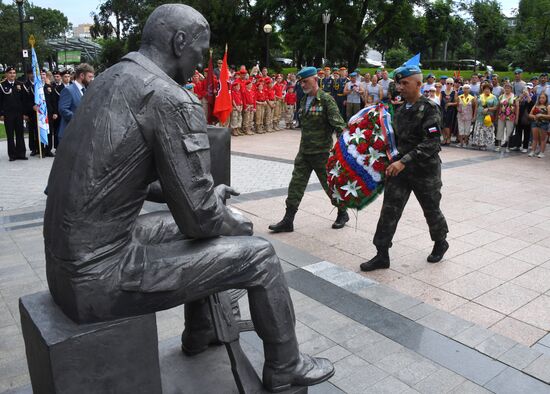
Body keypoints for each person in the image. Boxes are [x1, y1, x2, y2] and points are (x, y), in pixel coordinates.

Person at [44, 5, 334, 392]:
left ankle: (201, 330)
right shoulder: (169, 97)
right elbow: (201, 219)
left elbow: (126, 181)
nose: (201, 63)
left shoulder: (110, 79)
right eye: (200, 50)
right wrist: (231, 219)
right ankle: (285, 365)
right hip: (100, 276)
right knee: (258, 254)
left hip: (63, 266)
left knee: (195, 227)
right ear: (180, 42)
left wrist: (204, 201)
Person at [360, 64, 449, 272]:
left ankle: (440, 242)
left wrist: (404, 160)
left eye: (405, 83)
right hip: (400, 171)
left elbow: (432, 142)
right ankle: (382, 254)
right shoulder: (400, 110)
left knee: (431, 209)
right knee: (389, 210)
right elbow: (395, 141)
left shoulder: (429, 108)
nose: (400, 87)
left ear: (418, 84)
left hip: (424, 170)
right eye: (398, 83)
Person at [269, 66, 349, 233]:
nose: (303, 85)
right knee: (295, 185)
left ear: (315, 80)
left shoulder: (326, 100)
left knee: (330, 186)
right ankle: (288, 220)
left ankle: (342, 213)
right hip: (304, 153)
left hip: (322, 154)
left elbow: (339, 125)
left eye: (305, 81)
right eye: (301, 82)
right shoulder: (303, 100)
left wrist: (344, 149)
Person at [57, 63, 95, 143]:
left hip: (81, 135)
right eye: (90, 77)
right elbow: (63, 109)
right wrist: (79, 118)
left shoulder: (86, 90)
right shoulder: (68, 90)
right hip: (69, 135)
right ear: (82, 75)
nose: (92, 79)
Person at [0, 66, 28, 161]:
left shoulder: (20, 84)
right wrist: (1, 114)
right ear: (6, 74)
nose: (12, 75)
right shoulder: (2, 85)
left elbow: (24, 100)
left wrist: (24, 113)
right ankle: (12, 155)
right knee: (10, 135)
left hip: (19, 114)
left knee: (20, 134)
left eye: (14, 73)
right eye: (10, 73)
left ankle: (21, 154)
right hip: (8, 114)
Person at [471, 83, 497, 150]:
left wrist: (488, 109)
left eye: (488, 89)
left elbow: (496, 107)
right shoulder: (480, 96)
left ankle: (484, 144)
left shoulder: (493, 97)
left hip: (488, 117)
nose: (486, 90)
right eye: (485, 89)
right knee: (479, 130)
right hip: (479, 116)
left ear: (490, 90)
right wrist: (474, 116)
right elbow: (476, 106)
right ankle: (479, 143)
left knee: (486, 130)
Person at [511, 84, 535, 153]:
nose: (527, 90)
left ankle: (525, 147)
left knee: (527, 133)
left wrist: (527, 95)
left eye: (529, 89)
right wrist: (522, 96)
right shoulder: (521, 96)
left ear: (532, 89)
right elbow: (516, 102)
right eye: (526, 89)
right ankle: (517, 145)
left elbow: (532, 105)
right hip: (519, 117)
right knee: (518, 132)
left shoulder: (533, 96)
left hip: (527, 118)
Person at [495, 82, 518, 152]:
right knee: (500, 130)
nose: (507, 89)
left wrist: (517, 118)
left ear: (511, 89)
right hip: (501, 115)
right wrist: (496, 116)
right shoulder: (501, 96)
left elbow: (517, 108)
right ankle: (499, 145)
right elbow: (498, 107)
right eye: (506, 88)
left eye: (508, 88)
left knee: (509, 131)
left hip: (511, 116)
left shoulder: (515, 97)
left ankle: (508, 146)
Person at [528, 92, 550, 158]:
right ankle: (533, 151)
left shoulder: (548, 106)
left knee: (543, 139)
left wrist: (541, 115)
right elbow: (530, 114)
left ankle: (542, 152)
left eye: (543, 98)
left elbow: (549, 116)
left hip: (544, 124)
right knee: (534, 138)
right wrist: (533, 116)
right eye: (540, 98)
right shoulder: (535, 105)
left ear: (546, 99)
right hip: (535, 123)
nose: (541, 99)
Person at [441, 77, 457, 145]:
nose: (449, 85)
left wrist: (451, 103)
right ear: (446, 84)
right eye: (448, 83)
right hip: (443, 110)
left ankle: (448, 138)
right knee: (442, 125)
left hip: (450, 111)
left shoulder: (454, 92)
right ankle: (444, 138)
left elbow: (457, 103)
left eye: (451, 83)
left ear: (453, 84)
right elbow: (440, 101)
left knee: (448, 125)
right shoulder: (442, 92)